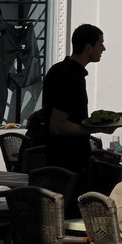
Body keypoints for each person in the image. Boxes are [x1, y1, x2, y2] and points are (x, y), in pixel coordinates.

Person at [41, 23, 114, 174]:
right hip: (69, 163)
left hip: (57, 158)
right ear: (88, 48)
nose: (104, 49)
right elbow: (57, 125)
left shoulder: (57, 69)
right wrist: (100, 128)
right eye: (100, 43)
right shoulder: (72, 78)